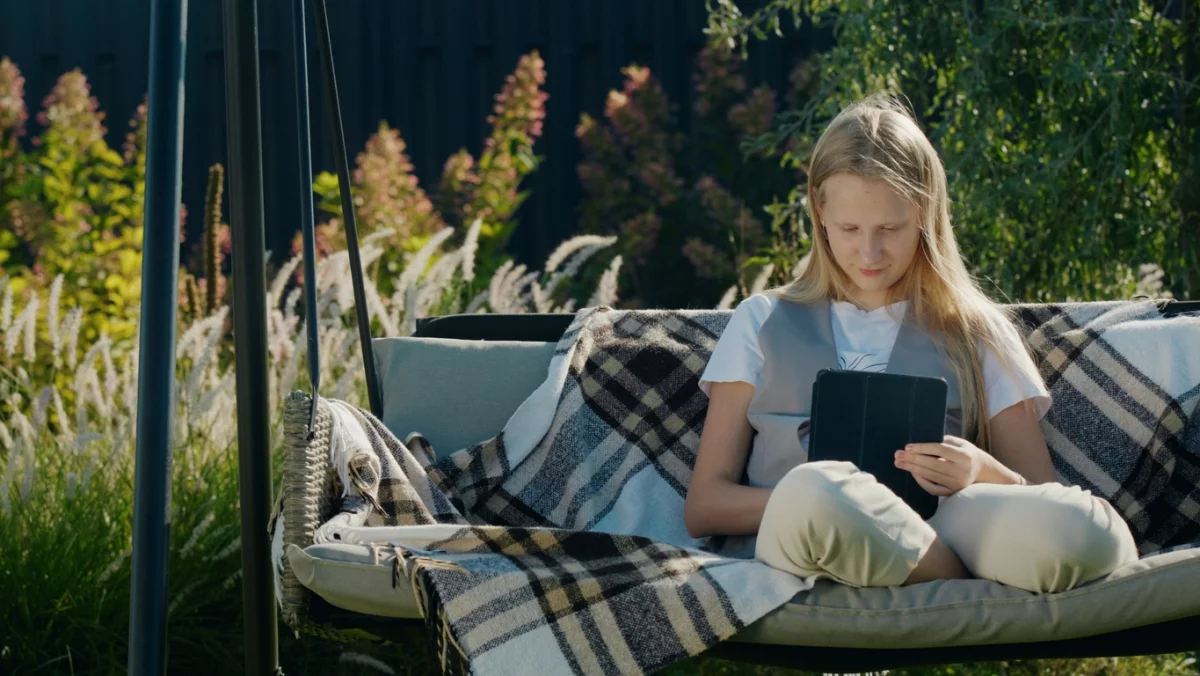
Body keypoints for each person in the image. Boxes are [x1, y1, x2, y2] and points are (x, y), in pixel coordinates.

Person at [682, 93, 1138, 594]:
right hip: (803, 531)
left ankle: (924, 560)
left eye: (891, 228)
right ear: (818, 209)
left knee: (1087, 529)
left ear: (924, 212)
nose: (870, 252)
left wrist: (983, 471)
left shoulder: (975, 330)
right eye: (850, 229)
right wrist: (847, 502)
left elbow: (1037, 492)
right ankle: (953, 575)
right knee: (817, 492)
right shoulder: (762, 320)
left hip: (944, 521)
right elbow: (705, 507)